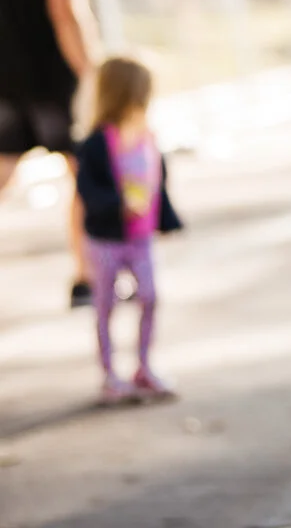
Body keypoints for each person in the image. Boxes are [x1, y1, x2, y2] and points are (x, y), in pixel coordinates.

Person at [0, 0, 100, 308]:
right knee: (86, 174)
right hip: (56, 82)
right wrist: (93, 71)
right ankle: (87, 277)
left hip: (7, 80)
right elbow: (69, 12)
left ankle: (87, 275)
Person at [76, 56, 181, 405]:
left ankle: (144, 366)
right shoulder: (95, 143)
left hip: (141, 237)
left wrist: (167, 219)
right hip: (106, 238)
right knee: (105, 304)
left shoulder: (148, 138)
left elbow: (158, 183)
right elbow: (87, 192)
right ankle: (109, 373)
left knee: (150, 297)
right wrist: (117, 203)